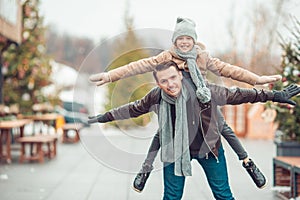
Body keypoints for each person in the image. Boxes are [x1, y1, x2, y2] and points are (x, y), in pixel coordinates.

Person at [89, 17, 282, 192]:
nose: (184, 42)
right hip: (175, 123)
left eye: (188, 38)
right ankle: (145, 169)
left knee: (221, 126)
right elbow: (139, 66)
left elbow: (228, 70)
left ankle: (247, 161)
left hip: (203, 104)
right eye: (180, 38)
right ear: (174, 41)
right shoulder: (166, 58)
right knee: (163, 135)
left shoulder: (202, 57)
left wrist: (256, 79)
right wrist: (109, 76)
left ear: (194, 40)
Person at [88, 61, 300, 200]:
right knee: (171, 197)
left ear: (180, 75)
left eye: (173, 77)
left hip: (209, 149)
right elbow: (133, 108)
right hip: (175, 152)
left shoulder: (204, 92)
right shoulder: (156, 96)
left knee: (223, 195)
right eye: (164, 81)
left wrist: (274, 95)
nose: (170, 84)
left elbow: (238, 94)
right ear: (158, 83)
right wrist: (103, 117)